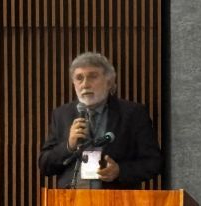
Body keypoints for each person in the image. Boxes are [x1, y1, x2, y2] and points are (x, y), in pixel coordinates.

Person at [39, 52, 162, 189]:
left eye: (93, 76)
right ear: (74, 84)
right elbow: (45, 165)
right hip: (71, 199)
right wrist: (69, 146)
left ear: (109, 82)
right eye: (79, 78)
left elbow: (153, 163)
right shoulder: (62, 114)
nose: (85, 84)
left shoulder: (133, 114)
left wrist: (119, 171)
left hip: (115, 198)